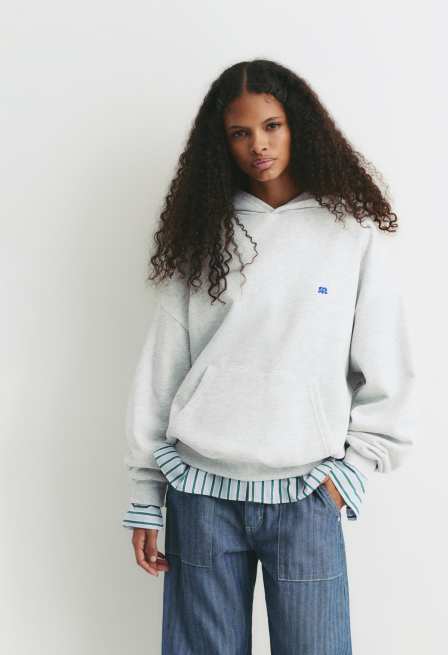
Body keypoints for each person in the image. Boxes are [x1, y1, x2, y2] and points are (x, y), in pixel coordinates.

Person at [121, 58, 415, 654]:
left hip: (307, 494)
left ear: (298, 125)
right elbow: (162, 370)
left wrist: (349, 474)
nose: (259, 144)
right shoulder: (203, 233)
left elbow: (386, 370)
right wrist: (147, 496)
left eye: (272, 126)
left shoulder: (350, 233)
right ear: (221, 143)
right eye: (240, 132)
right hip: (201, 493)